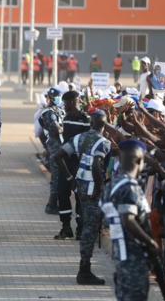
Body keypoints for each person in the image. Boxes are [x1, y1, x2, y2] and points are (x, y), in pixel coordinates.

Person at [100, 139, 158, 301]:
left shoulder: (112, 185)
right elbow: (128, 220)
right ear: (139, 161)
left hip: (121, 252)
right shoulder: (129, 187)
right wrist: (151, 242)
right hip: (133, 256)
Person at [57, 109, 111, 285]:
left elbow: (59, 156)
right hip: (92, 188)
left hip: (80, 184)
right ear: (105, 123)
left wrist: (69, 178)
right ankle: (84, 270)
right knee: (90, 227)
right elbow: (97, 164)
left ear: (91, 122)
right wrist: (98, 187)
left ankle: (85, 267)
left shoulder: (79, 138)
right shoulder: (104, 143)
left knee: (88, 223)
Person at [53, 90, 90, 240]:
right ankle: (66, 227)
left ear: (73, 102)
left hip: (80, 161)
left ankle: (80, 228)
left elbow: (87, 141)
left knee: (80, 195)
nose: (64, 106)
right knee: (62, 193)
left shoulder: (85, 119)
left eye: (66, 103)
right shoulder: (67, 118)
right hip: (66, 160)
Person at [40, 87, 65, 215]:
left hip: (61, 147)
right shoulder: (48, 112)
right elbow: (56, 129)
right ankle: (52, 204)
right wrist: (67, 127)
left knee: (60, 176)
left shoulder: (59, 110)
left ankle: (54, 203)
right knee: (56, 176)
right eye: (57, 96)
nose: (58, 98)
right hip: (55, 147)